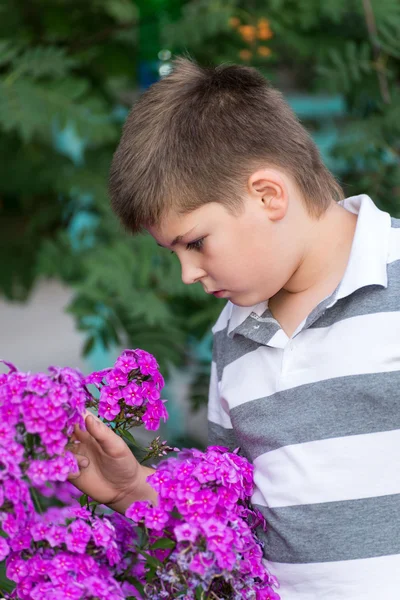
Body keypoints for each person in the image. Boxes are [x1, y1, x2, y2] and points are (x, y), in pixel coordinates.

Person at [68, 57, 400, 599]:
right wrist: (130, 490)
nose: (187, 273)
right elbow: (231, 526)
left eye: (195, 242)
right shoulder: (233, 335)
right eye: (172, 252)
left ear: (268, 195)